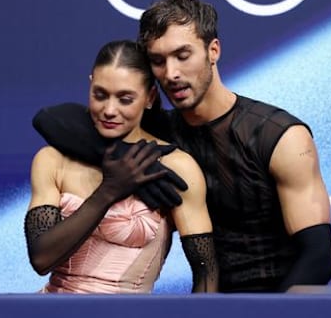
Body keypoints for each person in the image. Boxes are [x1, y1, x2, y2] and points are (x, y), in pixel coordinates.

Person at [33, 0, 331, 292]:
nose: (172, 73)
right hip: (204, 302)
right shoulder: (156, 130)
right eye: (158, 61)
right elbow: (52, 119)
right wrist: (119, 161)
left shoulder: (280, 136)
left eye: (182, 55)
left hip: (275, 298)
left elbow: (319, 257)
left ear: (213, 50)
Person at [25, 40, 218, 293]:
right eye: (100, 95)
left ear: (149, 97)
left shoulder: (175, 167)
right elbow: (42, 259)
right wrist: (110, 189)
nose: (109, 110)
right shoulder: (52, 159)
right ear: (90, 83)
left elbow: (206, 271)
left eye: (125, 99)